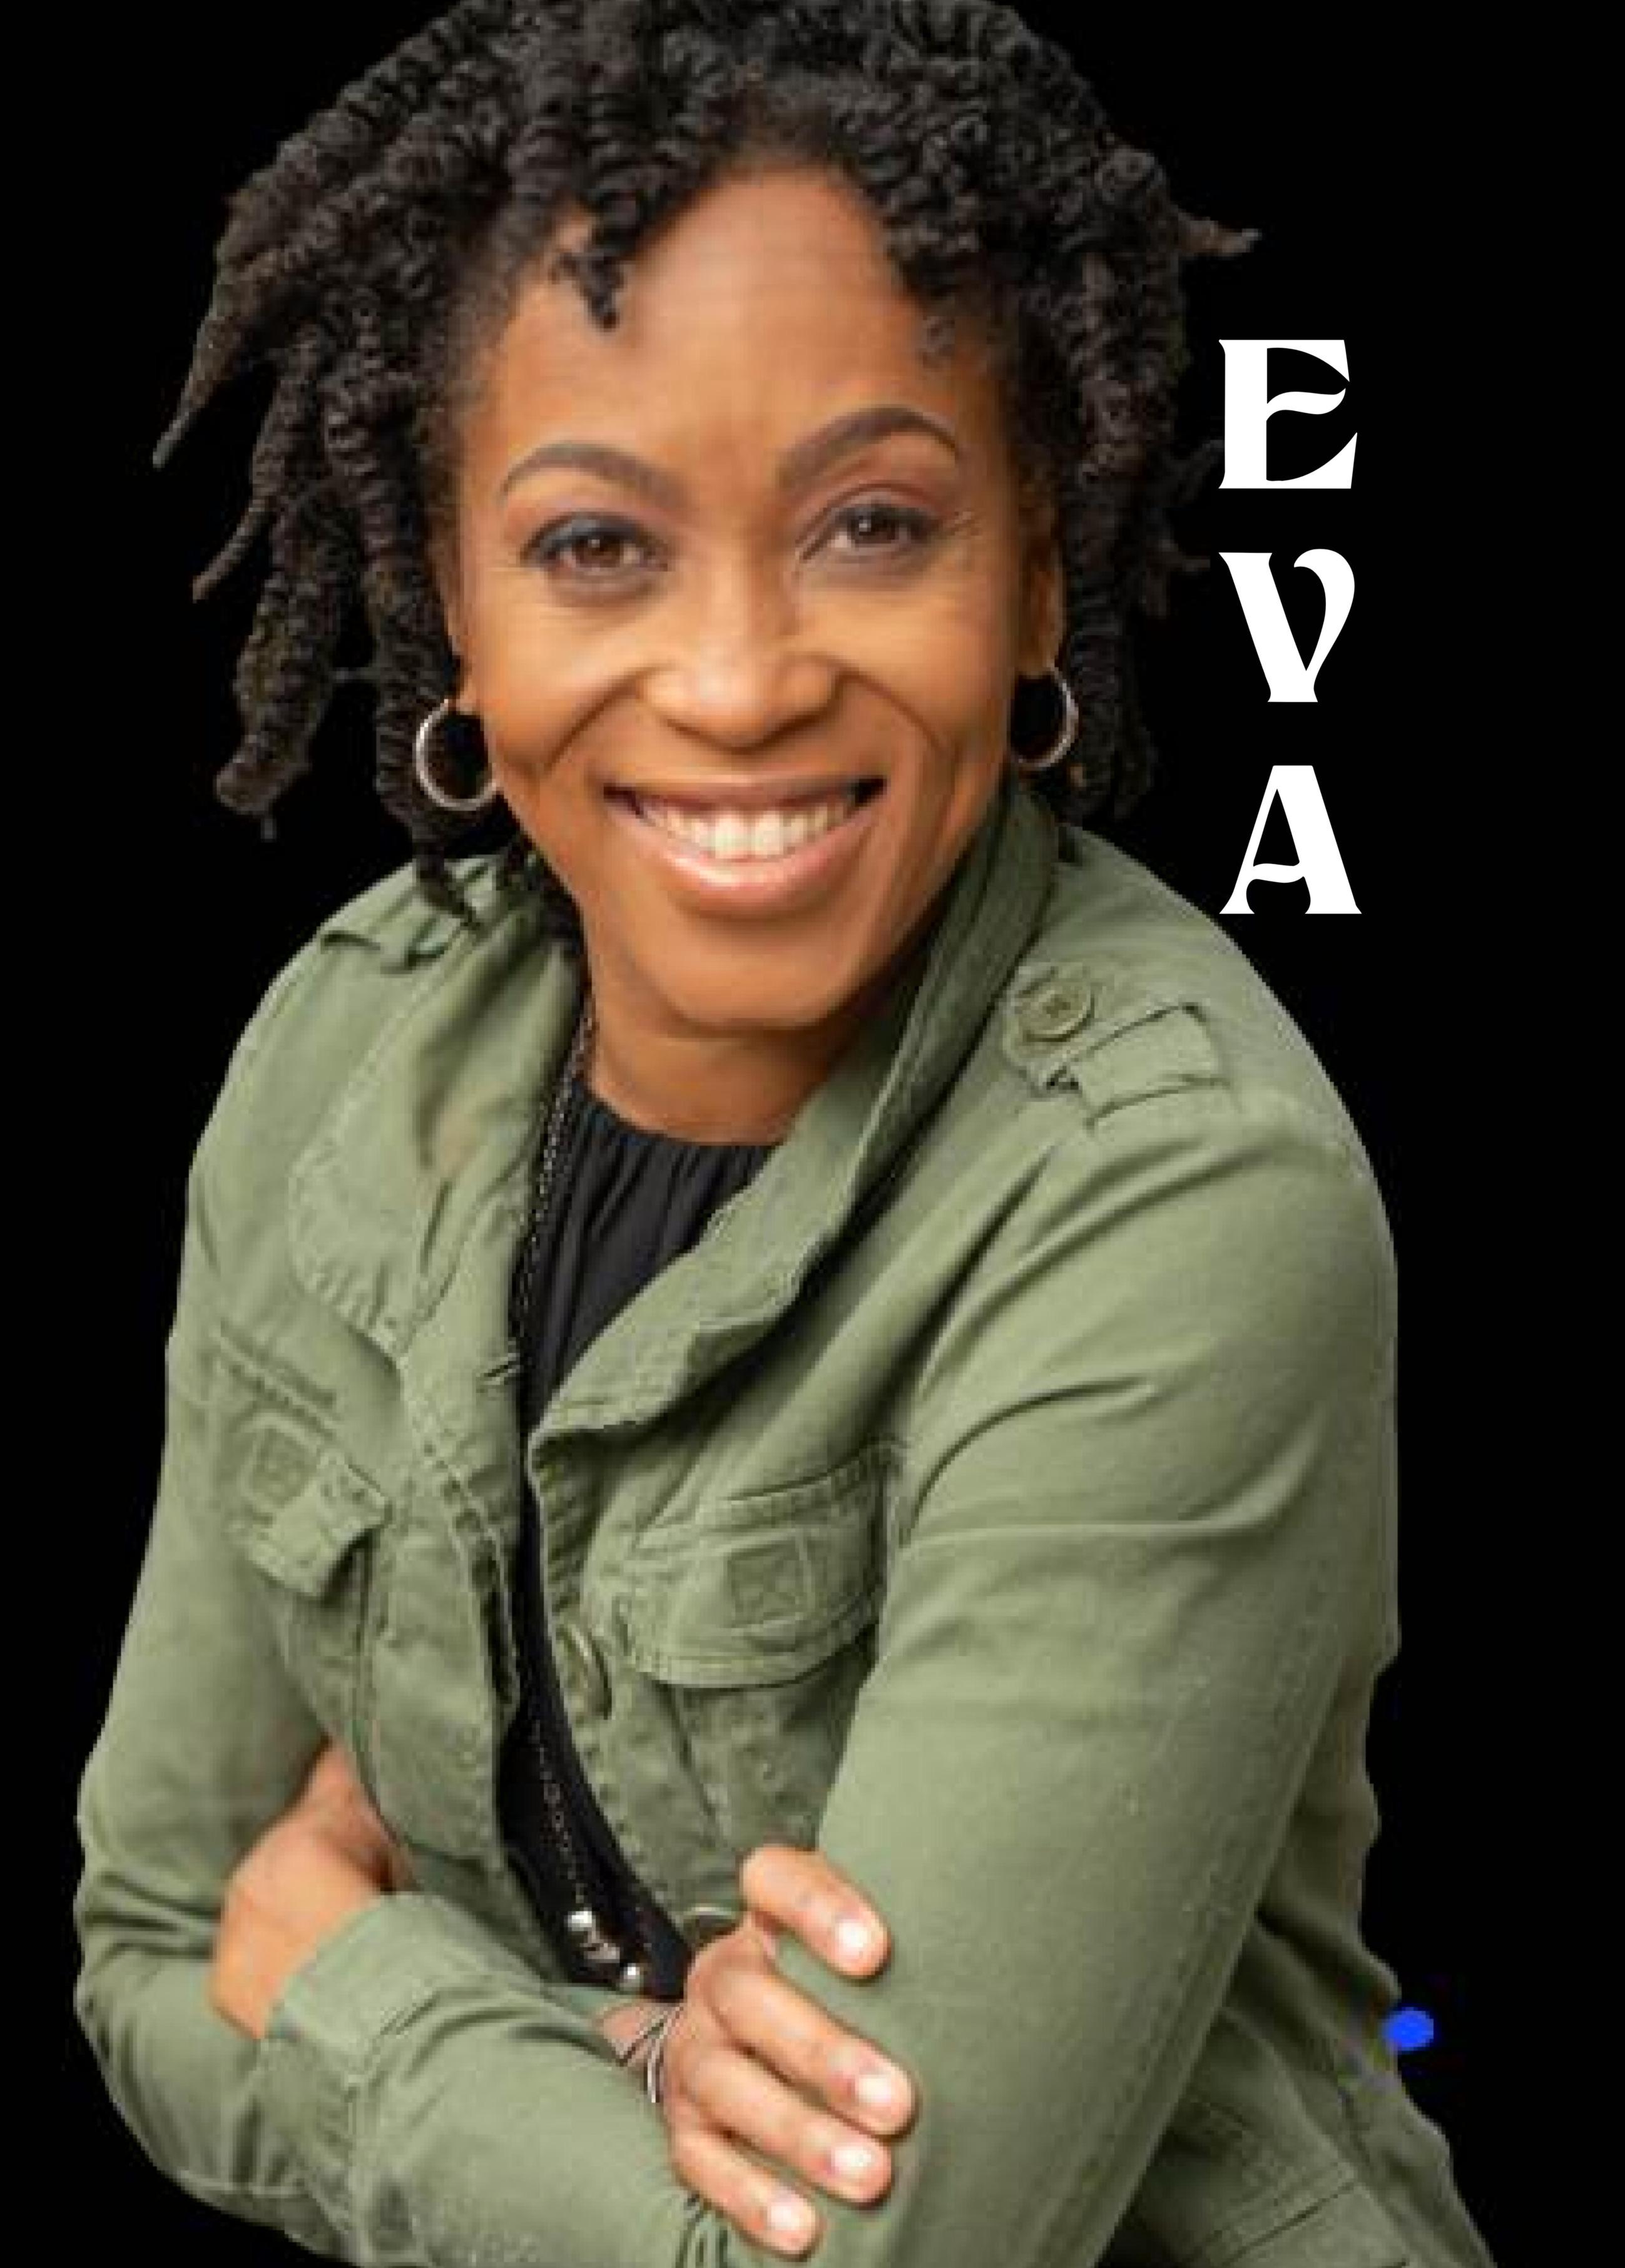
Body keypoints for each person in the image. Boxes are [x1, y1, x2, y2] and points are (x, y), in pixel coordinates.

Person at [71, 3, 1496, 2264]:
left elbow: (878, 2256)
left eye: (873, 524)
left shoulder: (1180, 1195)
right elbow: (150, 1944)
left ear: (1038, 573)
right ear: (454, 603)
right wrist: (631, 2072)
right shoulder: (343, 1058)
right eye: (594, 546)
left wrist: (364, 1986)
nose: (740, 681)